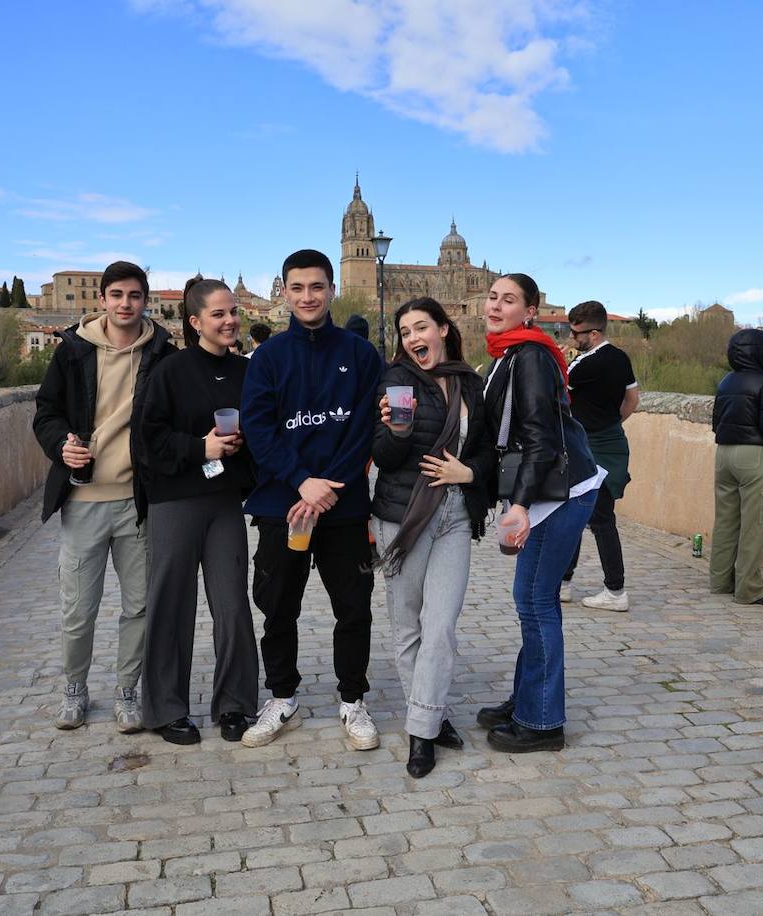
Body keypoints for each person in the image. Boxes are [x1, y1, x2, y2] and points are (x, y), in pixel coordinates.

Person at [238, 249, 383, 750]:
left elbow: (364, 428)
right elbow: (259, 429)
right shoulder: (269, 358)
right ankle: (282, 697)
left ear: (332, 290)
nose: (307, 296)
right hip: (284, 506)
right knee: (278, 605)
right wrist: (302, 482)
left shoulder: (362, 356)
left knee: (353, 606)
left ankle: (353, 699)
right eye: (297, 288)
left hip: (342, 507)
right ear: (284, 291)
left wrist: (325, 489)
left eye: (316, 287)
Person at [31, 260, 176, 731]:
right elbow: (45, 413)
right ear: (102, 300)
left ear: (145, 300)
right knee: (79, 608)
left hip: (138, 501)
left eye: (134, 296)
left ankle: (127, 691)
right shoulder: (72, 351)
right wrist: (59, 445)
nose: (126, 304)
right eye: (117, 295)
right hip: (84, 501)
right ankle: (74, 689)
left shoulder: (162, 352)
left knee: (138, 606)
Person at [475, 274, 604, 754]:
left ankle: (544, 720)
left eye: (508, 300)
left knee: (534, 600)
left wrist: (522, 506)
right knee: (532, 599)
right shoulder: (511, 353)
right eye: (492, 297)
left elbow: (540, 437)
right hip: (552, 488)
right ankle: (527, 698)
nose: (495, 305)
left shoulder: (528, 356)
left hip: (557, 493)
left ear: (529, 311)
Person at [371, 297, 495, 777]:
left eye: (420, 327)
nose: (412, 338)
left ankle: (420, 731)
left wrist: (469, 472)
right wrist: (396, 431)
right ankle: (430, 715)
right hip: (403, 518)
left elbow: (487, 450)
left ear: (443, 329)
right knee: (408, 629)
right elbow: (381, 456)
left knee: (440, 626)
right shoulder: (395, 381)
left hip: (455, 517)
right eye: (405, 332)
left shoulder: (469, 381)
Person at [137, 277, 258, 745]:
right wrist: (199, 447)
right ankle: (166, 709)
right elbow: (147, 440)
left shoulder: (248, 373)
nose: (230, 321)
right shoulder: (170, 371)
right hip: (175, 501)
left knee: (232, 605)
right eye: (219, 314)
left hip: (225, 501)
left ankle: (234, 705)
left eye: (233, 313)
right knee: (172, 604)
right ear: (194, 322)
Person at [558, 300, 640, 612]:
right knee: (580, 515)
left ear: (593, 333)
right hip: (610, 442)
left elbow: (557, 392)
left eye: (575, 332)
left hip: (589, 448)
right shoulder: (620, 357)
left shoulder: (585, 365)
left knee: (598, 519)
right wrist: (610, 425)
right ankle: (564, 583)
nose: (570, 337)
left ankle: (615, 591)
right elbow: (632, 399)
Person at [711, 328, 763, 606]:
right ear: (762, 352)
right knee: (756, 523)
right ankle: (749, 588)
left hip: (724, 455)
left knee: (726, 521)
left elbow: (715, 423)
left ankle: (721, 581)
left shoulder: (725, 382)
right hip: (755, 457)